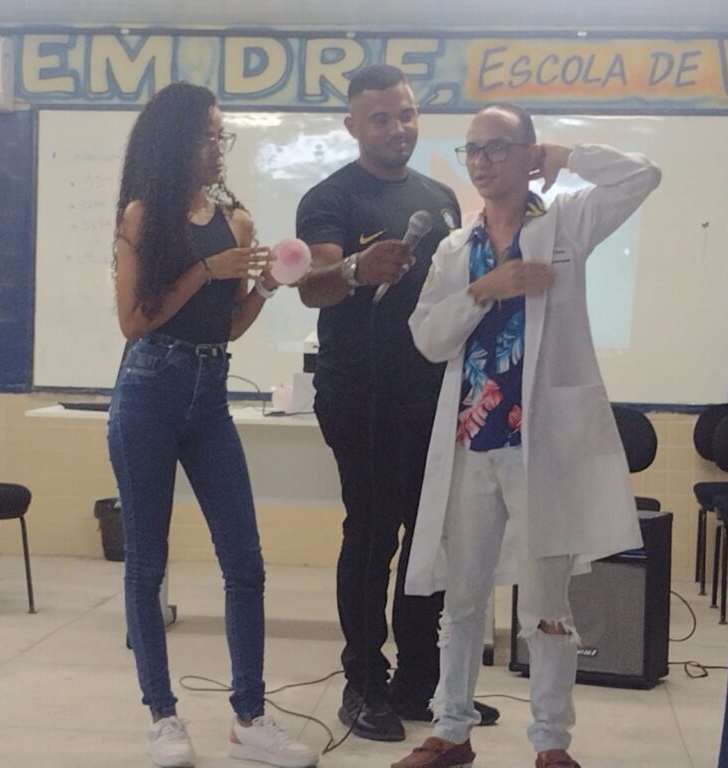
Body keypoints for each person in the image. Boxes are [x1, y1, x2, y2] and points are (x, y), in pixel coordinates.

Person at [392, 104, 661, 768]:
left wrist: (567, 155)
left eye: (497, 147)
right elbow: (426, 338)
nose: (482, 162)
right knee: (463, 598)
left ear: (527, 153)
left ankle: (551, 742)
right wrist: (484, 289)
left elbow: (642, 175)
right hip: (470, 444)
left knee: (545, 604)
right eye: (472, 150)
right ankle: (451, 730)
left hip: (541, 448)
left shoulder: (565, 221)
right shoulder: (457, 249)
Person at [108, 82, 318, 768]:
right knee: (147, 563)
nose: (218, 148)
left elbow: (227, 326)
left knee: (245, 562)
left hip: (209, 394)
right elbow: (133, 322)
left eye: (221, 135)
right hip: (149, 388)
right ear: (175, 142)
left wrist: (266, 286)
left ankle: (249, 718)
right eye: (207, 136)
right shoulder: (143, 217)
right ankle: (162, 717)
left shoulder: (237, 222)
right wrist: (205, 270)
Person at [295, 64, 498, 742]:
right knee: (373, 534)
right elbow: (312, 284)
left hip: (432, 396)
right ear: (353, 125)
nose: (396, 128)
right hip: (360, 395)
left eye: (405, 114)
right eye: (380, 118)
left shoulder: (439, 197)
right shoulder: (330, 197)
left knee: (429, 537)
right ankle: (363, 683)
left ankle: (419, 680)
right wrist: (356, 270)